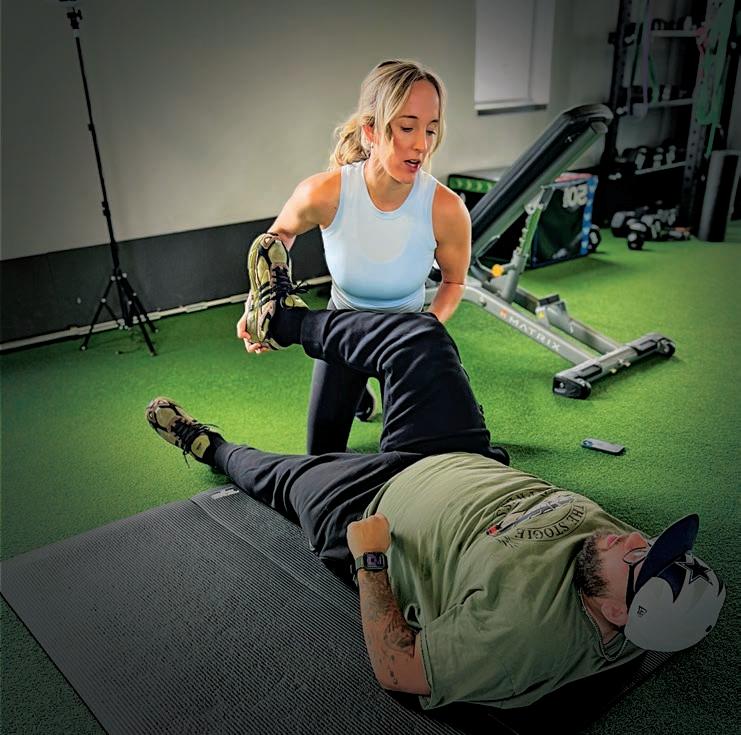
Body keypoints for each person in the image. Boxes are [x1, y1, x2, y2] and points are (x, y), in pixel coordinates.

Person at [147, 239, 726, 710]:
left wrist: (371, 561)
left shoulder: (523, 641)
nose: (630, 539)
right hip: (459, 454)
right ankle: (281, 320)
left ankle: (208, 446)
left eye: (638, 558)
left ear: (619, 614)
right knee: (421, 336)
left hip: (373, 504)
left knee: (282, 478)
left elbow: (398, 670)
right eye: (650, 543)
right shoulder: (626, 576)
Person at [236, 59, 472, 455]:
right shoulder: (324, 193)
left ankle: (365, 383)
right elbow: (277, 239)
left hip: (404, 335)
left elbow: (454, 281)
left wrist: (424, 333)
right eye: (407, 127)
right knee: (320, 456)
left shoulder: (446, 209)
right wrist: (257, 305)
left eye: (431, 129)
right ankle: (356, 390)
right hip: (342, 328)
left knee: (409, 457)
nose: (422, 144)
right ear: (371, 131)